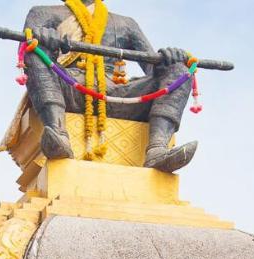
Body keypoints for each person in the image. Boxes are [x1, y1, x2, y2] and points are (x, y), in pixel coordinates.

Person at [13, 0, 203, 172]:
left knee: (179, 70)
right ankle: (58, 133)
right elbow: (26, 48)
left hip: (119, 92)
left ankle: (158, 149)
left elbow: (154, 70)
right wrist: (44, 39)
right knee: (34, 52)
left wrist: (170, 58)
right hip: (68, 86)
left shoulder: (126, 24)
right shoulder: (43, 13)